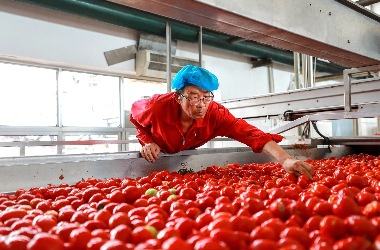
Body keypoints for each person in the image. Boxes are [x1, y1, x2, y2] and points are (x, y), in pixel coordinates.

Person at [130, 65, 314, 180]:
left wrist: (286, 160)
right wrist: (147, 140)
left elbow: (251, 134)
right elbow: (135, 117)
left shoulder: (216, 115)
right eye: (194, 98)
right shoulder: (156, 107)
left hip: (181, 163)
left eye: (207, 97)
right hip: (157, 161)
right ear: (178, 98)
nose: (201, 105)